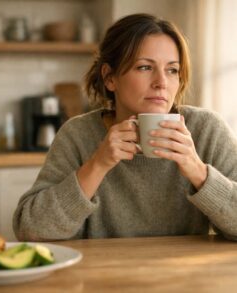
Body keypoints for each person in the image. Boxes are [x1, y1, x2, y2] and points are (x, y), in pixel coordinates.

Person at [13, 13, 237, 241]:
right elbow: (30, 230)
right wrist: (98, 164)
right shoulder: (78, 135)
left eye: (172, 70)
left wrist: (197, 171)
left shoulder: (207, 130)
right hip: (102, 274)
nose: (161, 82)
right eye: (144, 67)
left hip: (187, 275)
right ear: (110, 78)